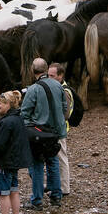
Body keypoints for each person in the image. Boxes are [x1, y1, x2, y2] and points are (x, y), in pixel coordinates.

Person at [19, 58, 65, 208]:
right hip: (55, 132)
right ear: (46, 69)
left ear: (33, 71)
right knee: (53, 162)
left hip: (39, 134)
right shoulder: (58, 86)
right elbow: (65, 108)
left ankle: (37, 201)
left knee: (37, 165)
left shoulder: (33, 89)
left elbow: (24, 113)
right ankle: (56, 197)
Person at [46, 62, 75, 196]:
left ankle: (64, 187)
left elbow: (66, 114)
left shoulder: (65, 91)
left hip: (60, 130)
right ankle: (54, 184)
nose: (49, 78)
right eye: (48, 75)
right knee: (53, 158)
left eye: (52, 76)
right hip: (53, 130)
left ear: (61, 75)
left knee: (61, 158)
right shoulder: (55, 88)